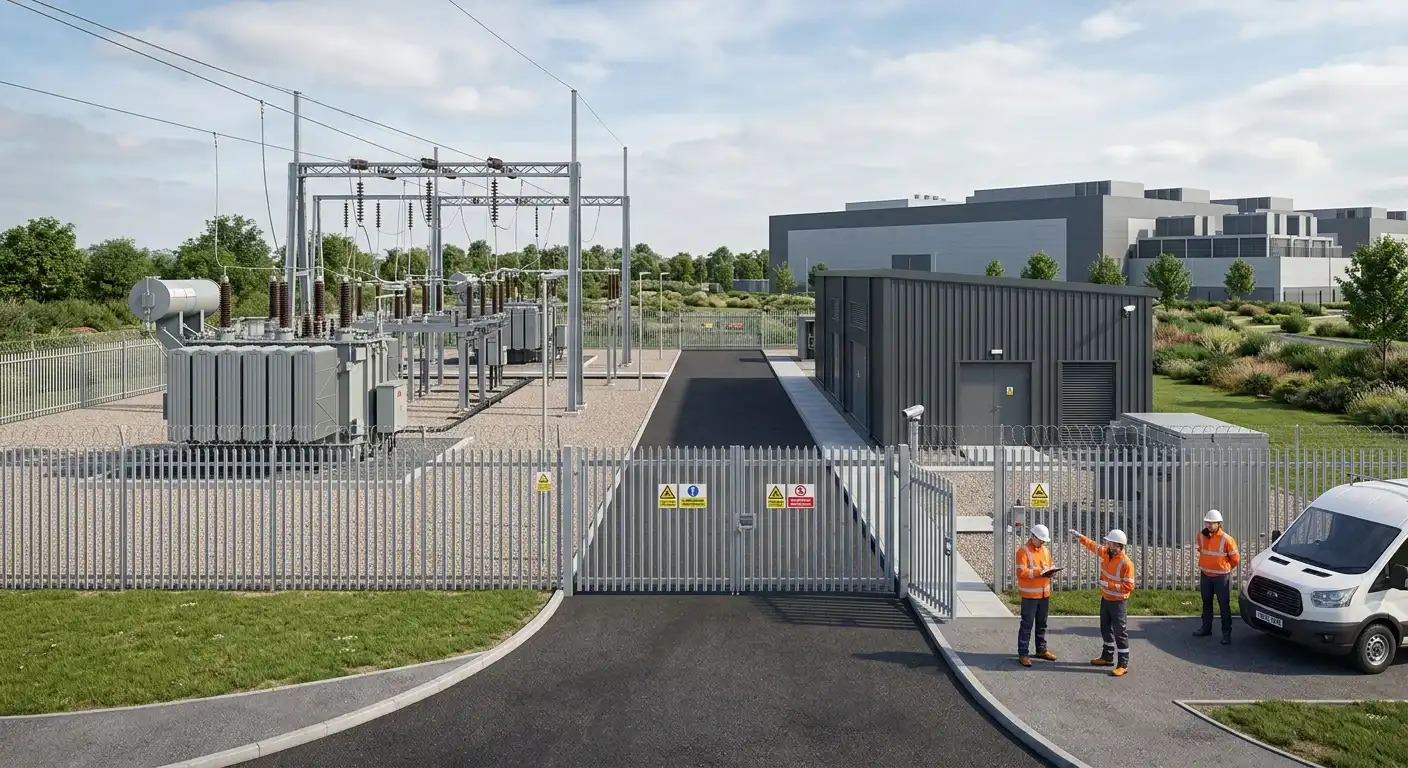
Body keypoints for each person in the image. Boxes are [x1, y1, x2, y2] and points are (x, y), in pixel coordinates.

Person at [1069, 527, 1136, 677]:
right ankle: (1107, 657)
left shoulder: (1126, 563)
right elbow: (1093, 546)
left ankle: (1123, 664)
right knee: (1105, 628)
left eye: (1110, 542)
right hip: (1106, 599)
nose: (1107, 544)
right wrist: (1080, 537)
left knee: (1120, 632)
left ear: (1118, 545)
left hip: (1118, 603)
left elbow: (1129, 586)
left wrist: (1110, 585)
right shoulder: (1106, 553)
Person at [1193, 509, 1240, 645]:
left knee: (1224, 605)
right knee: (1206, 603)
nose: (1208, 525)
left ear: (1218, 524)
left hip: (1221, 578)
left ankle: (1226, 634)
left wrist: (1224, 568)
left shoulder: (1227, 539)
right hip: (1206, 576)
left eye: (1211, 523)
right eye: (1207, 522)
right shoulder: (1201, 536)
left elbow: (1235, 559)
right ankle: (1206, 628)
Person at [1015, 524, 1059, 667]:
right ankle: (1023, 653)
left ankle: (1041, 649)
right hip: (1030, 595)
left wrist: (1051, 572)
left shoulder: (1045, 550)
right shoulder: (1023, 551)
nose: (1042, 542)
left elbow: (1049, 565)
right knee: (1027, 625)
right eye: (1041, 540)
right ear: (1033, 537)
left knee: (1042, 624)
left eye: (1043, 540)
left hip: (1044, 594)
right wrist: (1039, 572)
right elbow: (1021, 572)